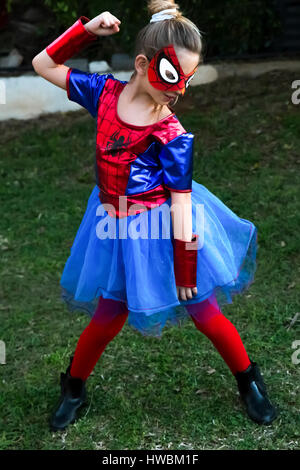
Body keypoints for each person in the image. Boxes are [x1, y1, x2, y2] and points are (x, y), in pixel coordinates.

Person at [32, 0, 278, 432]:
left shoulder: (172, 134)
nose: (180, 89)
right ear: (144, 63)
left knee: (204, 311)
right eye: (171, 76)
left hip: (164, 229)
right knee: (108, 315)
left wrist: (186, 269)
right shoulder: (104, 94)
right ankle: (73, 387)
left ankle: (248, 381)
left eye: (189, 78)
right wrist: (87, 30)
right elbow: (43, 63)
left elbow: (181, 204)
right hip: (115, 225)